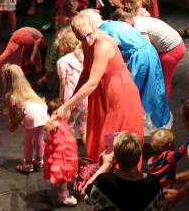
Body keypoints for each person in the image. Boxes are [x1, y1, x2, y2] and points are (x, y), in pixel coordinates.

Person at [53, 12, 145, 161]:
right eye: (82, 37)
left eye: (90, 34)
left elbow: (92, 82)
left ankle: (114, 167)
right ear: (76, 35)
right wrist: (69, 105)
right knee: (102, 133)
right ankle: (105, 167)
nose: (88, 40)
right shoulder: (86, 41)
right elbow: (86, 72)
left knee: (112, 134)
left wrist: (66, 106)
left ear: (94, 28)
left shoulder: (102, 45)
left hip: (117, 92)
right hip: (102, 92)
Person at [97, 14, 172, 133]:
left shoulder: (102, 31)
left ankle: (136, 126)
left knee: (134, 93)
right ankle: (157, 126)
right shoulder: (114, 24)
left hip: (140, 59)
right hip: (149, 54)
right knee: (154, 90)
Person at [115, 8, 185, 98]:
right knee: (158, 79)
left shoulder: (139, 27)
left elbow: (147, 50)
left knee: (162, 81)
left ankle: (162, 104)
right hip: (171, 45)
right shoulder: (136, 19)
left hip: (173, 49)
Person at [2, 64, 49, 174]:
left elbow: (13, 115)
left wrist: (13, 124)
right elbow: (26, 111)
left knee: (28, 142)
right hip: (44, 111)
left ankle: (28, 165)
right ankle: (39, 160)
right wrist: (18, 123)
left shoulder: (11, 95)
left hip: (31, 114)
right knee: (39, 138)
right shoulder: (28, 89)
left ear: (7, 79)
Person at [41, 102, 79, 205]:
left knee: (63, 177)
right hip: (60, 158)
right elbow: (46, 127)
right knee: (63, 177)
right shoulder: (56, 123)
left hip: (65, 156)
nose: (69, 112)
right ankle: (63, 197)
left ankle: (62, 192)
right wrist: (53, 117)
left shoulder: (63, 122)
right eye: (67, 110)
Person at [54, 28, 88, 140]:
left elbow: (63, 83)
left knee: (67, 127)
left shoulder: (62, 62)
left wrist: (61, 100)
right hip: (86, 98)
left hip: (72, 101)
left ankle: (67, 149)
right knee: (83, 127)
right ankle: (89, 151)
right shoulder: (84, 57)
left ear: (65, 45)